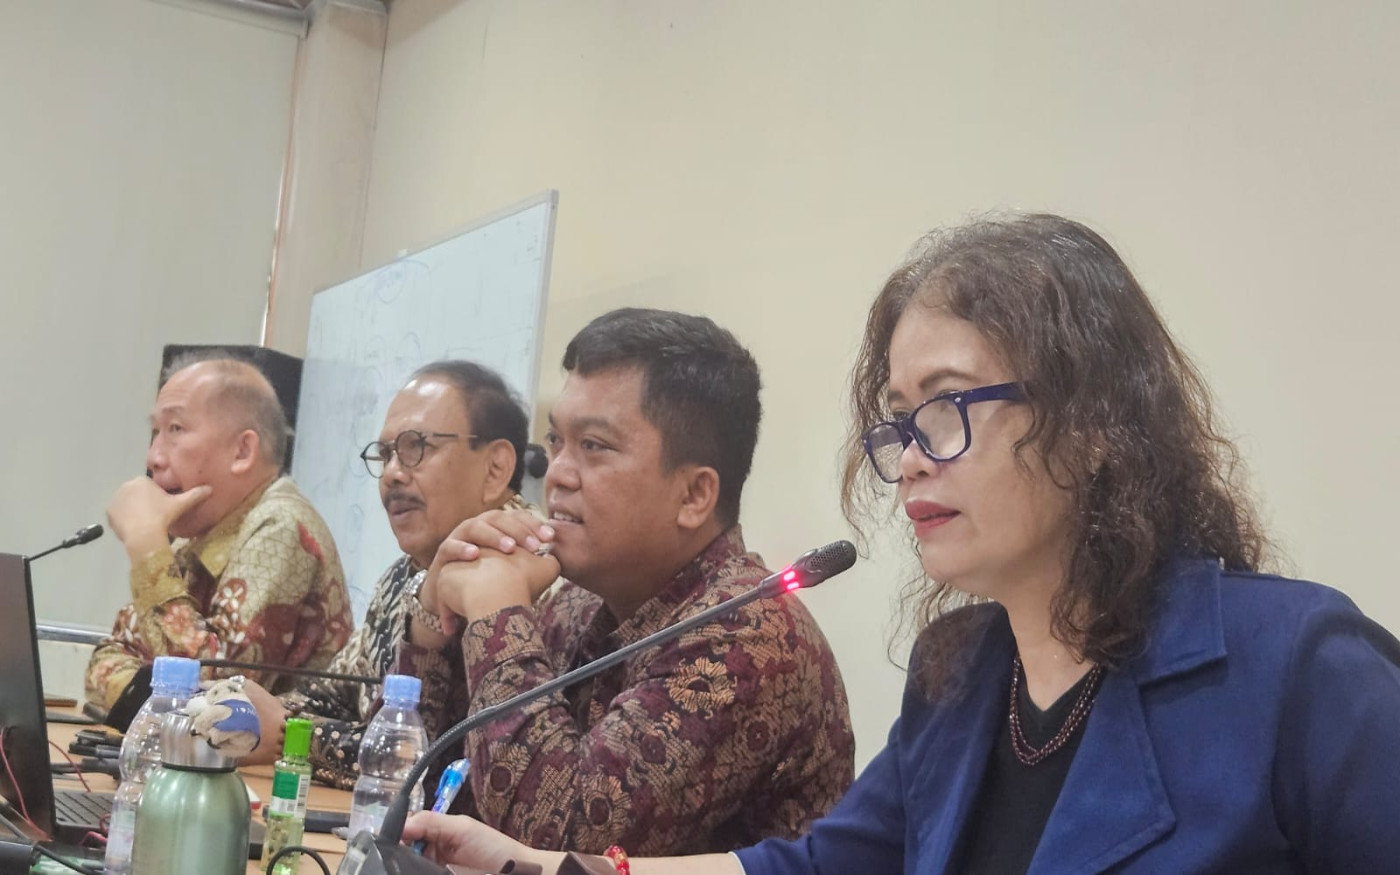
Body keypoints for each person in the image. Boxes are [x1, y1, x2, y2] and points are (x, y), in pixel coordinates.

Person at [400, 215, 1400, 874]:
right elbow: (816, 867)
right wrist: (536, 865)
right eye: (897, 417)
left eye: (947, 405)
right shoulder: (960, 672)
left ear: (1093, 423)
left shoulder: (1297, 666)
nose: (909, 458)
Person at [396, 308, 856, 856]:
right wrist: (432, 616)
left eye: (594, 446)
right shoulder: (576, 605)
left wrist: (497, 611)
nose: (557, 473)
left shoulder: (751, 634)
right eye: (557, 440)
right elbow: (431, 793)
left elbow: (563, 846)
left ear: (693, 495)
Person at [238, 360, 532, 778]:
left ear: (495, 468)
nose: (392, 474)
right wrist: (258, 713)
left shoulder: (528, 579)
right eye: (385, 454)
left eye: (416, 448)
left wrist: (291, 734)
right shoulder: (402, 577)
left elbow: (437, 762)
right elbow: (335, 695)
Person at [84, 356, 353, 710]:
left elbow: (217, 694)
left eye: (175, 429)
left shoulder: (280, 525)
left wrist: (147, 547)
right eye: (155, 433)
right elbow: (107, 656)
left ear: (242, 451)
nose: (153, 458)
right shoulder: (202, 532)